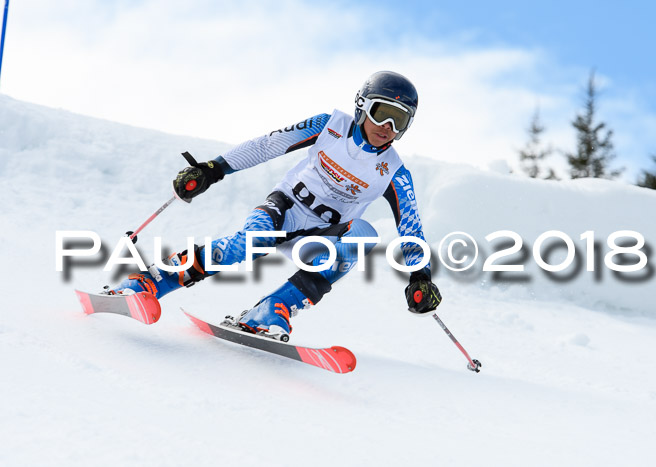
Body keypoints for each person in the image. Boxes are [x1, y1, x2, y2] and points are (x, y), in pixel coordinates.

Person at [110, 71, 442, 341]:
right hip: (283, 209)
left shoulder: (395, 172)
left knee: (364, 237)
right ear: (362, 107)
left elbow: (411, 227)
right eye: (383, 114)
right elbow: (269, 145)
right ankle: (149, 282)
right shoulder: (331, 125)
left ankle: (270, 311)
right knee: (245, 246)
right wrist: (212, 169)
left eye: (401, 120)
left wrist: (420, 276)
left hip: (320, 235)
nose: (389, 128)